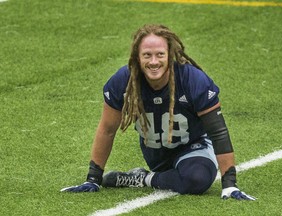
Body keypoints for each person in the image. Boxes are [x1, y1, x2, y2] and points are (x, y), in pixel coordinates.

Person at [61, 24, 256, 200]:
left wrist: (229, 185)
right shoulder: (124, 82)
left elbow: (218, 131)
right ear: (137, 57)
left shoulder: (193, 80)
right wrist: (93, 179)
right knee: (182, 176)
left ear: (170, 54)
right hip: (157, 154)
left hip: (194, 146)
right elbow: (107, 129)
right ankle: (151, 176)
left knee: (197, 179)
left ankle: (142, 179)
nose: (154, 62)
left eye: (160, 54)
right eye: (147, 55)